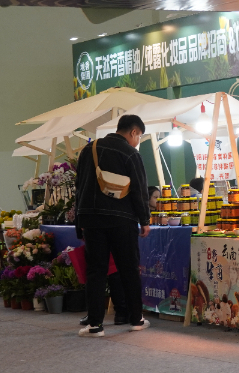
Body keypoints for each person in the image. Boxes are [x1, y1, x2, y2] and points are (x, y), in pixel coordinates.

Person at [74, 114, 151, 337]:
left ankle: (95, 325)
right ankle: (136, 319)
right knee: (129, 269)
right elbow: (139, 189)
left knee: (96, 271)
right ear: (134, 132)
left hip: (92, 219)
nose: (137, 141)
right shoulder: (131, 153)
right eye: (139, 136)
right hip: (122, 220)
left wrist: (79, 221)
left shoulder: (89, 149)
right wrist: (144, 220)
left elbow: (79, 186)